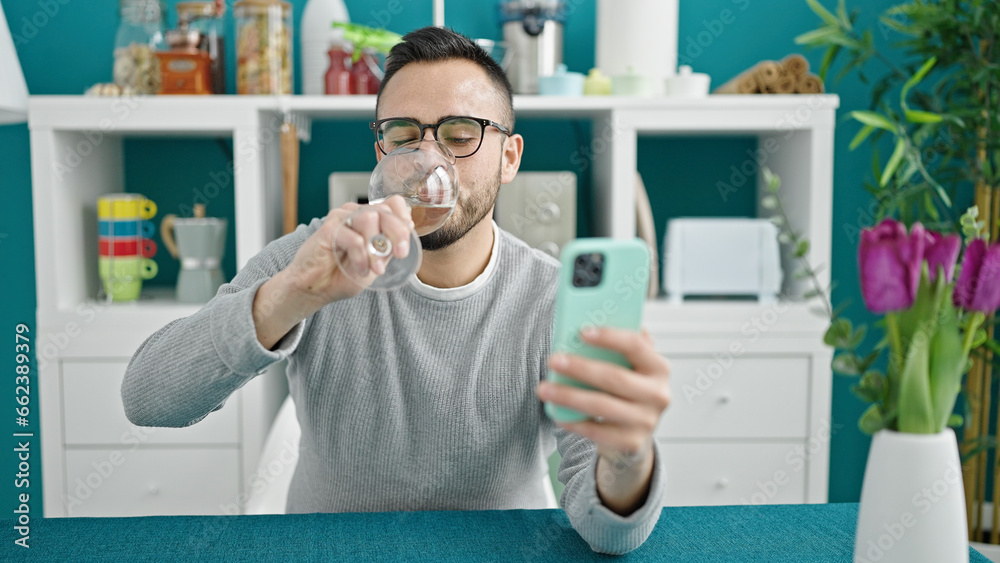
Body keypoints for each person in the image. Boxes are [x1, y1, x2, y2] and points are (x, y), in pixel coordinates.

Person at [122, 26, 671, 555]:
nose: (428, 162)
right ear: (382, 152)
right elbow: (146, 398)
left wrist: (627, 460)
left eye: (460, 135)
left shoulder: (550, 299)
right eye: (404, 136)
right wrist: (291, 296)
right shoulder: (316, 255)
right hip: (330, 551)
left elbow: (611, 537)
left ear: (509, 158)